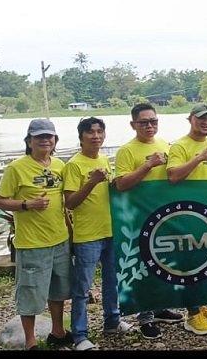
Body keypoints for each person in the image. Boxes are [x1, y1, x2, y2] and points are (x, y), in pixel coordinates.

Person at [0, 119, 72, 350]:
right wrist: (26, 204)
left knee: (58, 290)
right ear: (29, 141)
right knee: (29, 292)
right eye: (39, 137)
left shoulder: (59, 165)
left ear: (55, 140)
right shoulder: (16, 168)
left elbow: (64, 203)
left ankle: (58, 332)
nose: (45, 140)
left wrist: (71, 232)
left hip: (60, 240)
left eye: (49, 136)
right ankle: (30, 342)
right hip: (32, 243)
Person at [113, 103, 185, 339]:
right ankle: (145, 318)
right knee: (143, 266)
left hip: (164, 213)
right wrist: (147, 165)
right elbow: (121, 184)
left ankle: (160, 307)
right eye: (144, 122)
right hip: (139, 216)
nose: (150, 126)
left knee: (164, 262)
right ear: (133, 124)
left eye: (153, 121)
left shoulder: (165, 144)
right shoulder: (126, 151)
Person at [64, 117, 132, 350]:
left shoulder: (103, 159)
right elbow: (70, 202)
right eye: (90, 132)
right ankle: (79, 335)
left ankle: (112, 321)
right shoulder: (74, 165)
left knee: (112, 281)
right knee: (82, 289)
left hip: (110, 230)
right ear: (81, 136)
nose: (96, 136)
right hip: (87, 236)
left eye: (99, 131)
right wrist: (91, 182)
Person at [167, 103, 207, 335]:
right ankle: (192, 315)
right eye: (201, 118)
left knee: (205, 261)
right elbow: (173, 177)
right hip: (188, 213)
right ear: (190, 119)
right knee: (189, 264)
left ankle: (201, 306)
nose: (206, 122)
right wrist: (199, 158)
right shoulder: (179, 146)